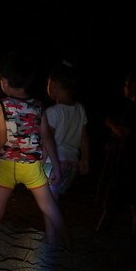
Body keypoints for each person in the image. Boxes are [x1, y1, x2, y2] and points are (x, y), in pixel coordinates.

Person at [0, 52, 71, 254]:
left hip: (7, 167)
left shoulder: (0, 106)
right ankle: (70, 247)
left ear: (5, 82)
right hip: (32, 167)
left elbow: (1, 139)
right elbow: (47, 137)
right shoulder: (38, 106)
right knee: (50, 209)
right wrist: (57, 166)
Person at [96, 70, 136, 236]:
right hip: (135, 163)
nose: (124, 88)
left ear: (134, 86)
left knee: (113, 203)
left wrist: (111, 124)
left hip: (127, 164)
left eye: (126, 84)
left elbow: (126, 132)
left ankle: (100, 237)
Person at [43, 60, 90, 201]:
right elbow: (84, 138)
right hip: (71, 165)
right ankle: (53, 223)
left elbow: (47, 139)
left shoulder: (53, 112)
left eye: (48, 84)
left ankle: (54, 224)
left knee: (48, 203)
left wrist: (39, 162)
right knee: (53, 201)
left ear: (55, 85)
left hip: (53, 163)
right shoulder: (80, 109)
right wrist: (85, 160)